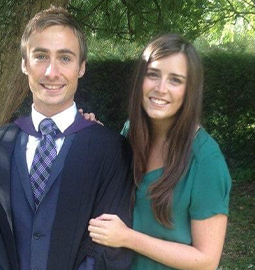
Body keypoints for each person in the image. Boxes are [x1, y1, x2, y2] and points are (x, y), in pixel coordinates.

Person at [0, 6, 133, 270]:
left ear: (81, 67)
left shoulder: (110, 150)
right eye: (40, 56)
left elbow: (108, 248)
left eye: (65, 58)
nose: (52, 72)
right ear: (24, 64)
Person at [88, 34, 231, 270]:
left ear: (189, 90)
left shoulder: (206, 161)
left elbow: (206, 260)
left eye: (175, 80)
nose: (161, 88)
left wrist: (127, 237)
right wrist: (95, 136)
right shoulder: (132, 132)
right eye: (153, 74)